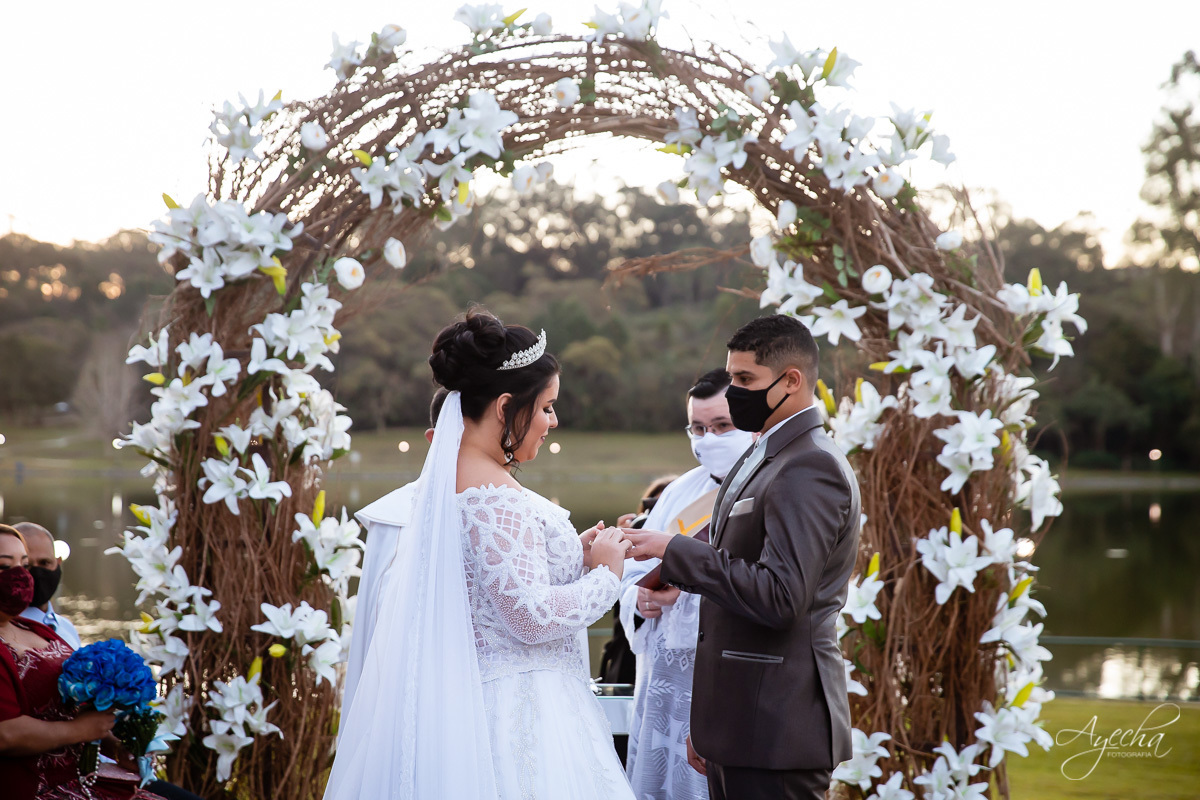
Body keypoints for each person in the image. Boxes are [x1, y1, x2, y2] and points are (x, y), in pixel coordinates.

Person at [324, 310, 636, 800]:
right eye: (547, 407)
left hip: (463, 702)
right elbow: (528, 617)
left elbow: (481, 589)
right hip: (517, 714)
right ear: (506, 405)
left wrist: (572, 555)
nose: (552, 422)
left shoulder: (452, 487)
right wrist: (606, 576)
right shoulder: (496, 496)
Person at [625, 315, 862, 800]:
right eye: (732, 377)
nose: (733, 392)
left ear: (791, 380)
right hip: (741, 723)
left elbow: (781, 596)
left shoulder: (809, 465)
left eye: (745, 380)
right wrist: (713, 723)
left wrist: (676, 551)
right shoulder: (768, 455)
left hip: (778, 726)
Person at [618, 369, 755, 800]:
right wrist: (640, 600)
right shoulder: (678, 492)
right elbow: (631, 576)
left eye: (721, 426)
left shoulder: (770, 488)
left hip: (726, 677)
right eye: (697, 428)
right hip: (665, 682)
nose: (708, 439)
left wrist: (688, 584)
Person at [0, 524, 167, 799]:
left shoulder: (35, 629)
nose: (21, 575)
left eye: (24, 564)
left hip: (84, 777)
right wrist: (80, 730)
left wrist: (114, 743)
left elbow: (68, 707)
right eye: (5, 566)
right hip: (37, 787)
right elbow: (6, 733)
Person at [342, 387, 448, 716]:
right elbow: (370, 634)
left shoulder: (528, 514)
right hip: (408, 701)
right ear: (434, 438)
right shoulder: (394, 517)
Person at [14, 523, 81, 650]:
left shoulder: (67, 628)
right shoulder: (5, 632)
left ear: (58, 563)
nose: (37, 573)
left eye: (44, 563)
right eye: (26, 565)